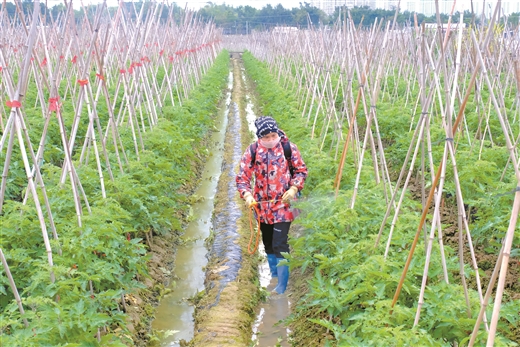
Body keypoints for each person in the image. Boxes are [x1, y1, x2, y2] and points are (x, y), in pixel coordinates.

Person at [236, 116, 308, 294]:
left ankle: (282, 287)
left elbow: (300, 171)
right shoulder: (253, 150)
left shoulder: (288, 148)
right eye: (265, 137)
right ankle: (275, 276)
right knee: (267, 243)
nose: (270, 140)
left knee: (279, 243)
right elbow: (242, 177)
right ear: (259, 137)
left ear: (277, 132)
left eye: (272, 135)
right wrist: (247, 195)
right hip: (262, 207)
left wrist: (293, 189)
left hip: (283, 206)